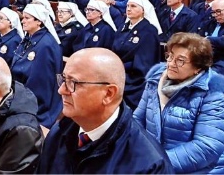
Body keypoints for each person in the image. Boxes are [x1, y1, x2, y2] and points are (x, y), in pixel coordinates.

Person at [36, 48, 174, 174]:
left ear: (108, 94)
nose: (61, 90)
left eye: (73, 83)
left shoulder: (149, 165)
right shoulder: (60, 131)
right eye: (64, 79)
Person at [134, 33, 224, 174]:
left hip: (198, 170)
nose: (170, 63)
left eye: (180, 60)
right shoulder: (155, 81)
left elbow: (207, 147)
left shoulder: (211, 94)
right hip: (156, 165)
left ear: (198, 68)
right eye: (170, 56)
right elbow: (137, 121)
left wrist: (158, 163)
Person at [11, 4, 62, 128]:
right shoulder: (29, 38)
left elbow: (40, 81)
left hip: (35, 99)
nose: (23, 21)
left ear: (38, 21)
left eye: (27, 18)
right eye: (23, 18)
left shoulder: (45, 44)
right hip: (18, 88)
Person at [112, 0, 162, 110]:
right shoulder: (122, 28)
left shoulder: (149, 31)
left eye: (133, 6)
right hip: (118, 76)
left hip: (135, 83)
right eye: (128, 6)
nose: (128, 9)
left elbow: (145, 64)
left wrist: (120, 71)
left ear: (143, 10)